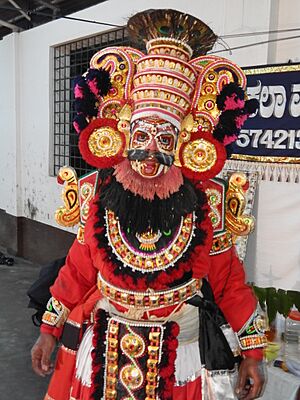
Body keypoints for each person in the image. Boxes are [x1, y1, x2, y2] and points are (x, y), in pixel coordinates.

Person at [31, 9, 266, 400]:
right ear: (123, 135)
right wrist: (48, 331)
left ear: (184, 145)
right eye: (142, 134)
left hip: (181, 360)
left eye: (165, 140)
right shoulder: (100, 192)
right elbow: (77, 270)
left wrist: (253, 354)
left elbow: (228, 285)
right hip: (102, 353)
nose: (150, 152)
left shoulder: (207, 200)